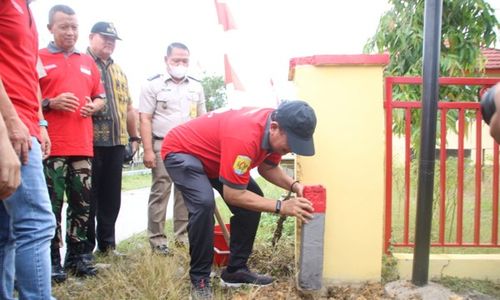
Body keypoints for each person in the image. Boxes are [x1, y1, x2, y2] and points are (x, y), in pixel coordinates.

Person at [162, 100, 317, 299]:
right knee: (203, 204)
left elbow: (267, 167)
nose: (290, 150)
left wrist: (295, 186)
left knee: (254, 201)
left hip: (216, 157)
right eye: (290, 145)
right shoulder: (246, 137)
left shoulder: (275, 131)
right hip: (182, 151)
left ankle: (235, 271)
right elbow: (233, 195)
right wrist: (281, 206)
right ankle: (200, 279)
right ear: (275, 128)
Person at [39, 4, 105, 280]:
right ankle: (51, 261)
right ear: (50, 28)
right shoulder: (38, 57)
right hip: (50, 146)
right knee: (52, 206)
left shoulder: (87, 61)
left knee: (82, 205)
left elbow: (100, 97)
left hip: (82, 146)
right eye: (63, 26)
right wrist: (50, 102)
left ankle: (77, 258)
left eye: (74, 27)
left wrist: (96, 106)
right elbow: (26, 98)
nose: (70, 32)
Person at [0, 0, 57, 298]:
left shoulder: (25, 8)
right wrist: (10, 123)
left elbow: (27, 71)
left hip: (25, 122)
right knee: (36, 223)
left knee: (6, 231)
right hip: (11, 126)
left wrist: (40, 121)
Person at [139, 42, 206, 255]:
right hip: (162, 145)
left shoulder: (196, 86)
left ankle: (182, 237)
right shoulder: (153, 85)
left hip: (190, 147)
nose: (180, 64)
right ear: (166, 60)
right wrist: (148, 150)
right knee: (160, 191)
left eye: (184, 61)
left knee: (185, 193)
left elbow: (203, 121)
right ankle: (158, 241)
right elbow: (145, 119)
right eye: (176, 60)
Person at [86, 21, 140, 256]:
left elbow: (129, 108)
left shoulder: (119, 70)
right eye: (104, 37)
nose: (109, 42)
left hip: (116, 142)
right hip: (89, 142)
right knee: (88, 199)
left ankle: (107, 246)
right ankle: (84, 251)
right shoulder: (82, 63)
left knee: (111, 198)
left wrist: (134, 137)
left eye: (113, 39)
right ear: (91, 37)